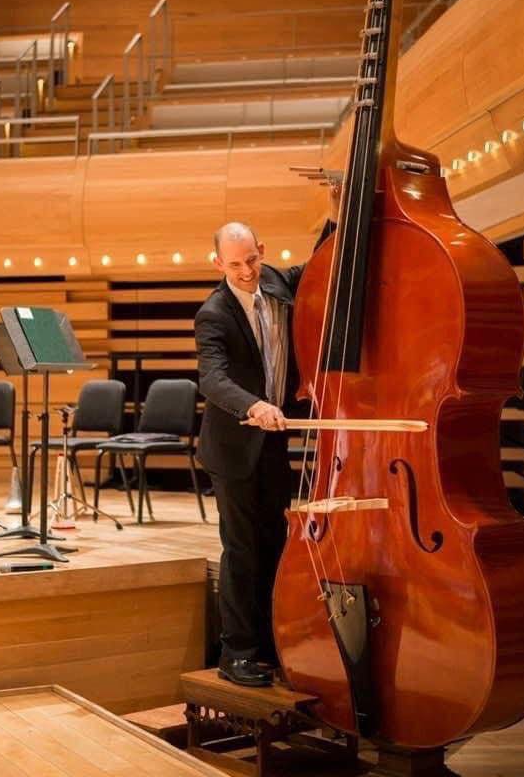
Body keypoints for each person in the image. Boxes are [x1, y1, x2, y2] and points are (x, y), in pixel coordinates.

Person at [195, 184, 340, 687]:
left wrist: (336, 214)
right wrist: (253, 405)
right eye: (235, 265)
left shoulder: (277, 281)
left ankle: (272, 642)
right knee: (241, 549)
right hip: (234, 447)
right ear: (218, 264)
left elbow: (320, 265)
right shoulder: (213, 314)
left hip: (275, 441)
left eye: (252, 260)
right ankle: (235, 653)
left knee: (276, 543)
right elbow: (212, 379)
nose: (246, 272)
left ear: (262, 253)